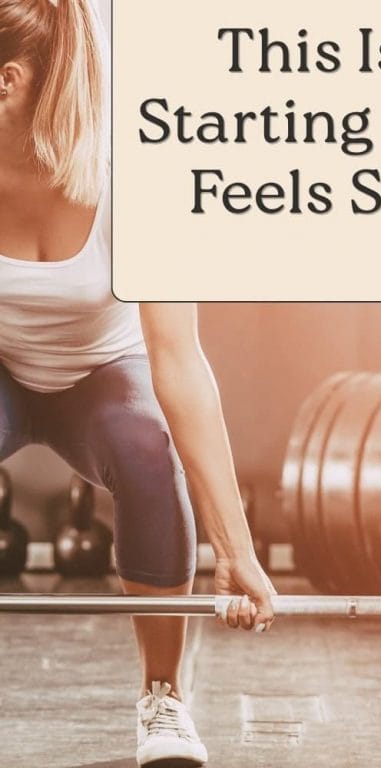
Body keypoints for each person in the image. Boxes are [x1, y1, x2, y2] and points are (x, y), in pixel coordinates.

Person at [0, 1, 275, 766]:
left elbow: (179, 364)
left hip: (103, 374)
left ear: (7, 83)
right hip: (5, 371)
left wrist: (238, 549)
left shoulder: (138, 180)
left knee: (146, 450)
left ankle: (164, 698)